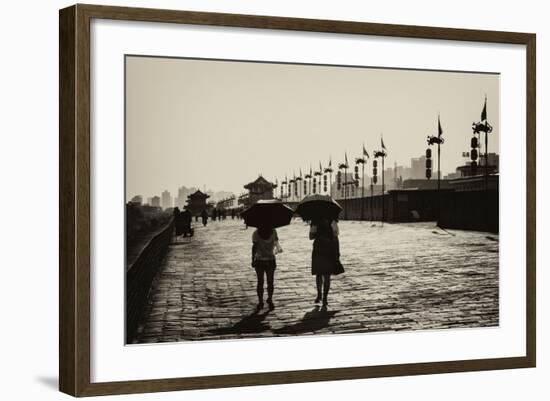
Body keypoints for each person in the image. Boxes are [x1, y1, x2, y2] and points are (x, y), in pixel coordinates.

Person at [309, 218, 344, 308]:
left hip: (318, 249)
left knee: (319, 274)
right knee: (326, 275)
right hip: (329, 249)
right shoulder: (332, 221)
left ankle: (319, 295)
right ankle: (325, 298)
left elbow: (311, 237)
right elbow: (336, 235)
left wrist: (316, 234)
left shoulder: (315, 221)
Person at [251, 225, 282, 310]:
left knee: (260, 282)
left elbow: (254, 247)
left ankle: (260, 301)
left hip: (259, 260)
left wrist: (252, 259)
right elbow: (276, 243)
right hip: (271, 259)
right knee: (270, 281)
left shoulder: (256, 233)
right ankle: (270, 299)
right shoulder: (273, 231)